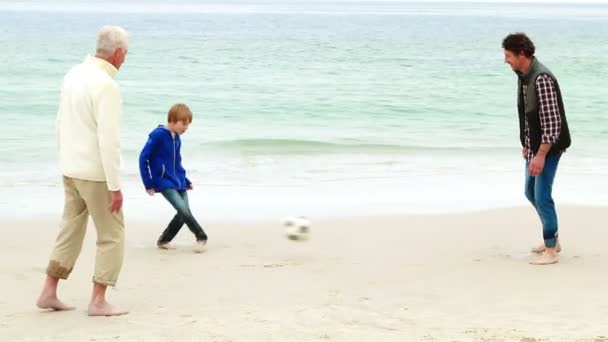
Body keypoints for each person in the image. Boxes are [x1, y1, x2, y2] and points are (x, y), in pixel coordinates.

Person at [36, 26, 130, 315]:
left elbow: (59, 123)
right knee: (112, 234)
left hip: (71, 168)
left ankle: (48, 291)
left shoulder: (73, 74)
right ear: (117, 53)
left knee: (70, 229)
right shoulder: (106, 85)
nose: (125, 59)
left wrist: (64, 159)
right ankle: (99, 301)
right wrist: (115, 186)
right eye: (125, 54)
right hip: (95, 173)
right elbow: (109, 140)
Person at [502, 32, 571, 265]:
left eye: (508, 55)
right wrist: (527, 146)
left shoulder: (541, 79)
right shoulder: (523, 76)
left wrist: (540, 155)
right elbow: (530, 116)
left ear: (522, 55)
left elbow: (552, 124)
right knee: (530, 192)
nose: (505, 60)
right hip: (535, 147)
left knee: (542, 197)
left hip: (549, 148)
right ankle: (553, 238)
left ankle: (551, 250)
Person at [138, 103, 208, 253]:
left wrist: (186, 180)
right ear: (173, 120)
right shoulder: (158, 134)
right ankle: (201, 236)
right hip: (163, 181)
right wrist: (148, 182)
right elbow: (143, 158)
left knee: (184, 213)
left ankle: (164, 240)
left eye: (187, 125)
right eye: (184, 124)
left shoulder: (177, 138)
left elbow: (177, 162)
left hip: (179, 181)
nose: (185, 128)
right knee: (183, 210)